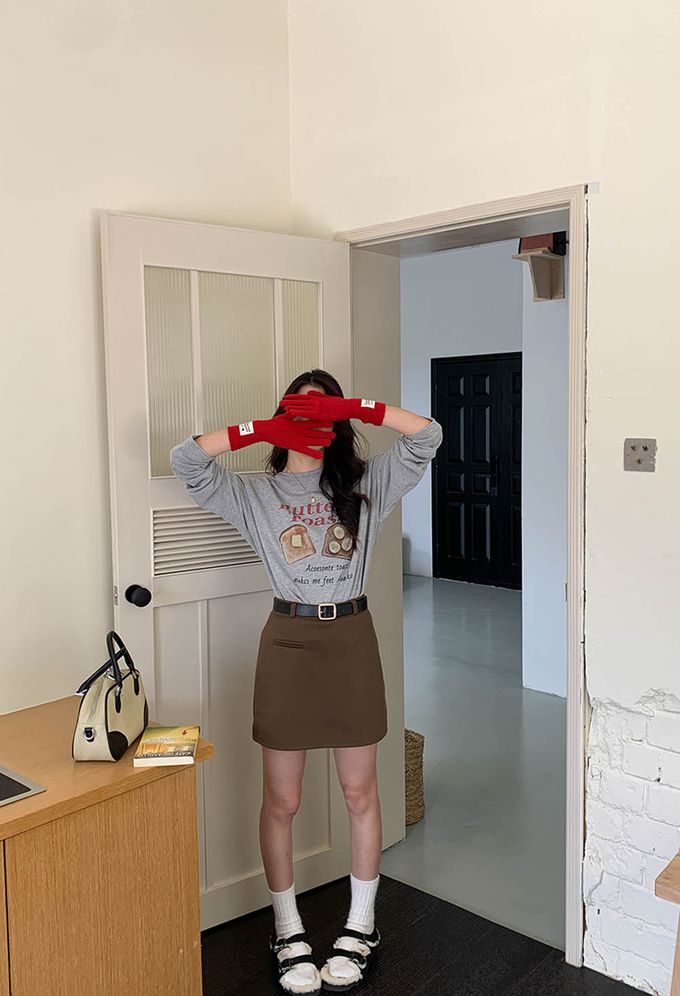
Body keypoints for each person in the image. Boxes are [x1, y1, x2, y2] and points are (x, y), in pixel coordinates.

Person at [169, 368, 443, 995]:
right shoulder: (255, 494)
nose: (314, 421)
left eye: (326, 412)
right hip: (288, 644)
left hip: (351, 641)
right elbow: (188, 460)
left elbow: (428, 436)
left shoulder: (367, 485)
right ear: (282, 417)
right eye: (301, 411)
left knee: (360, 792)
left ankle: (361, 924)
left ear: (340, 422)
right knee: (283, 800)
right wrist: (262, 429)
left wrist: (359, 407)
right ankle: (287, 927)